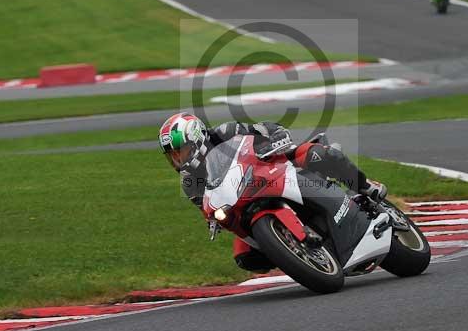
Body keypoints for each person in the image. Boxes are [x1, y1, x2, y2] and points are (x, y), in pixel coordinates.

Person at [158, 113, 387, 272]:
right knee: (244, 257)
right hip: (242, 198)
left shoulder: (225, 131)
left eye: (181, 151)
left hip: (272, 166)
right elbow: (204, 205)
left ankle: (365, 185)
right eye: (173, 156)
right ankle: (292, 252)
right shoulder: (189, 181)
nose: (178, 159)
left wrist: (275, 136)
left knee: (319, 155)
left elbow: (262, 128)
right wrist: (212, 219)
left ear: (196, 138)